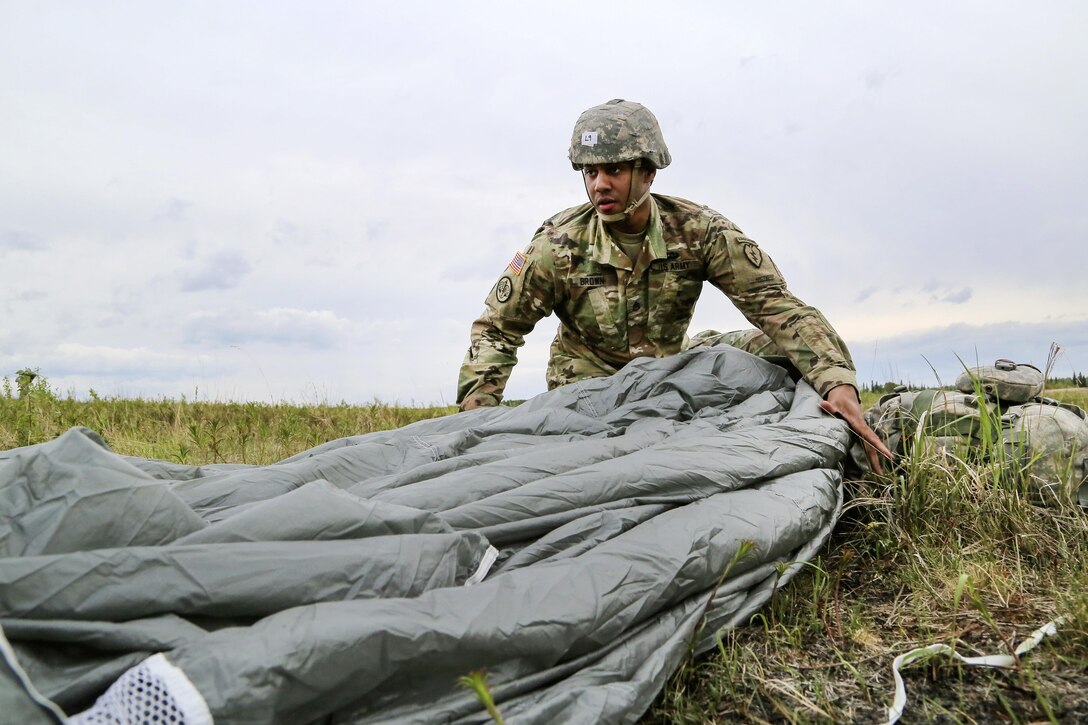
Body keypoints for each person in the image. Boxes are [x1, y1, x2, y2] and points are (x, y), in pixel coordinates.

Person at [456, 99, 891, 472]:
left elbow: (777, 307)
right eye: (588, 172)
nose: (599, 184)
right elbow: (497, 329)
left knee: (780, 351)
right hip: (587, 397)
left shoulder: (699, 231)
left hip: (670, 372)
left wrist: (838, 385)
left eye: (613, 169)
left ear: (648, 173)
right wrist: (479, 421)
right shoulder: (555, 245)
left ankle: (850, 426)